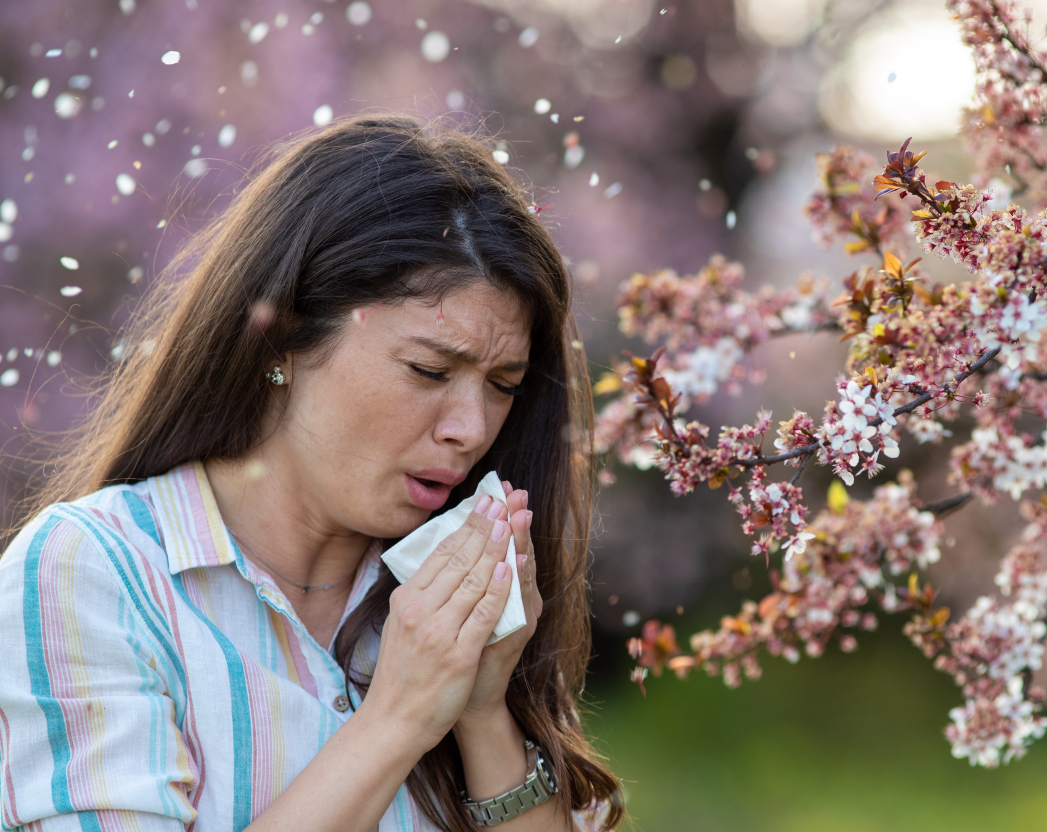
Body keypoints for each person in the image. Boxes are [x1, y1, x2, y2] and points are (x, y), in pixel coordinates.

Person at [0, 116, 622, 832]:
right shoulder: (94, 574)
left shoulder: (447, 595)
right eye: (430, 370)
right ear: (287, 338)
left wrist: (484, 711)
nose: (472, 428)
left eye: (503, 384)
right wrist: (399, 717)